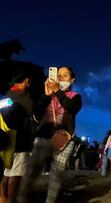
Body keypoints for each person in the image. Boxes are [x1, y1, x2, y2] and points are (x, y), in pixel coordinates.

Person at [18, 66, 82, 203]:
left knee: (55, 176)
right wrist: (46, 97)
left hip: (64, 139)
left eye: (65, 75)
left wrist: (57, 91)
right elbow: (36, 114)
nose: (60, 77)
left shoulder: (75, 97)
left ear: (72, 80)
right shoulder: (47, 94)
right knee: (31, 172)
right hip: (43, 137)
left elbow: (71, 107)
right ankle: (22, 198)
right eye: (58, 75)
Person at [0, 69, 34, 203]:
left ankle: (2, 199)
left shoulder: (5, 98)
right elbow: (30, 119)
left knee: (6, 174)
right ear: (26, 80)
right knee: (16, 176)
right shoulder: (26, 99)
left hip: (4, 142)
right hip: (21, 143)